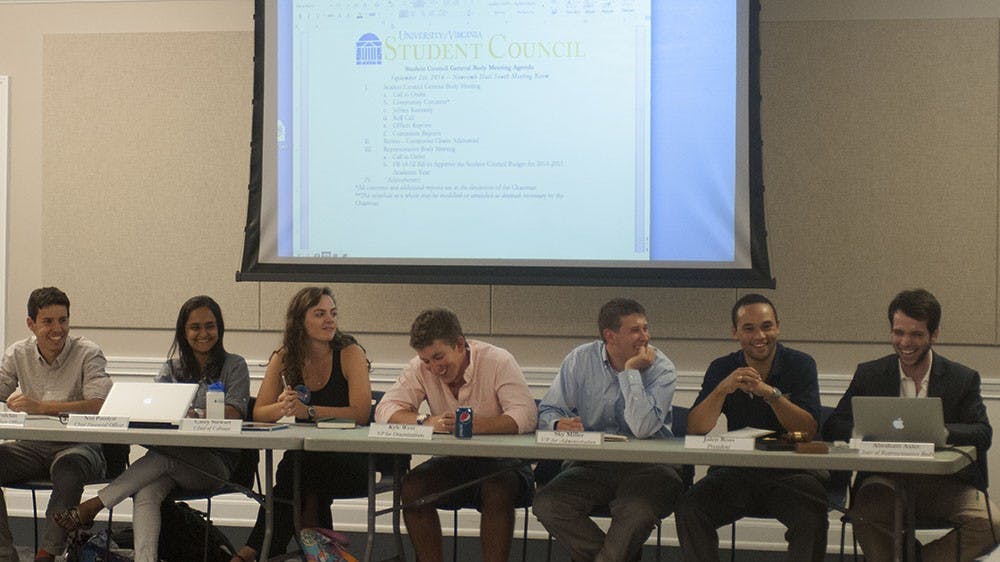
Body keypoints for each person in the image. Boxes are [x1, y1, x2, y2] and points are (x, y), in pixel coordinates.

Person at [53, 295, 250, 562]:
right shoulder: (171, 369)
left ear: (220, 328)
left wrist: (198, 414)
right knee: (146, 491)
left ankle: (94, 504)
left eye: (210, 326)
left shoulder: (234, 365)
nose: (203, 333)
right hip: (170, 459)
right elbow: (155, 410)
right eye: (195, 327)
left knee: (162, 458)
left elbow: (235, 412)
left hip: (215, 465)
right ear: (183, 332)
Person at [823, 288, 1000, 561]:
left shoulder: (961, 378)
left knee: (991, 525)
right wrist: (868, 431)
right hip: (883, 481)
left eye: (916, 334)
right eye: (898, 333)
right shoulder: (870, 374)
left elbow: (982, 433)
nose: (905, 342)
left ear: (934, 334)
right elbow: (835, 425)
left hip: (944, 483)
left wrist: (939, 432)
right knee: (865, 516)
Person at [374, 308, 537, 562]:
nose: (433, 368)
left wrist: (478, 426)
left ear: (460, 344)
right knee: (413, 489)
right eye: (426, 361)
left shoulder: (498, 360)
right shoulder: (420, 368)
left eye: (438, 357)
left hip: (506, 463)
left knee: (497, 489)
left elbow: (526, 415)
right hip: (453, 461)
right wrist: (427, 421)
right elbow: (384, 410)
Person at [676, 293, 828, 562]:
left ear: (778, 327)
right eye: (749, 328)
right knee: (690, 509)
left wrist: (770, 393)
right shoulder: (722, 367)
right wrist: (722, 389)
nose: (759, 336)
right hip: (736, 471)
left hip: (791, 473)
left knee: (812, 516)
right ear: (735, 333)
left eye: (767, 326)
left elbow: (808, 430)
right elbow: (696, 429)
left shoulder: (801, 364)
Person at [533, 298, 684, 562]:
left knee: (636, 513)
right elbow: (548, 409)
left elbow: (643, 428)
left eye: (646, 328)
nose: (645, 337)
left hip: (651, 467)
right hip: (592, 465)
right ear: (610, 336)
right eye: (635, 330)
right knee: (548, 504)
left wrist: (630, 371)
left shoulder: (662, 368)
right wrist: (558, 423)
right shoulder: (580, 360)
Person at [232, 287, 372, 562]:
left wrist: (308, 411)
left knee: (294, 471)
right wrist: (283, 407)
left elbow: (360, 413)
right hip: (307, 462)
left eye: (333, 313)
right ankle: (316, 548)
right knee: (300, 471)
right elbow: (259, 412)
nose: (330, 320)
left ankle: (255, 550)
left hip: (352, 459)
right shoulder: (285, 357)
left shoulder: (349, 352)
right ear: (300, 321)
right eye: (320, 314)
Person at [0, 287, 111, 562]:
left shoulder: (88, 352)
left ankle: (46, 554)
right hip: (31, 447)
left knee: (68, 468)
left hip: (79, 446)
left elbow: (98, 404)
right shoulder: (18, 353)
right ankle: (5, 555)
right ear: (31, 324)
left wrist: (42, 407)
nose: (57, 329)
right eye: (48, 321)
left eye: (63, 320)